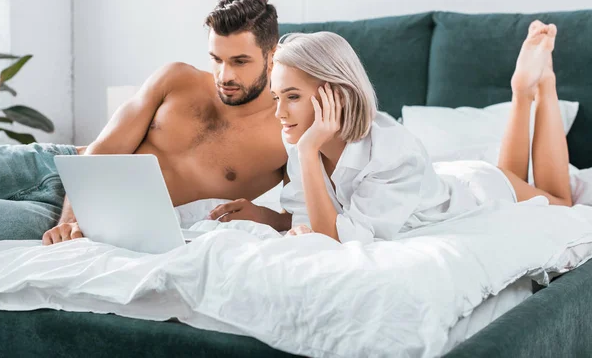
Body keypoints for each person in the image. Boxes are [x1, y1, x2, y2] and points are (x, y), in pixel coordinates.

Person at [211, 21, 573, 244]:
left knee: (560, 203)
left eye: (292, 97)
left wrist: (306, 153)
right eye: (276, 97)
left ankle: (538, 87)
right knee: (508, 173)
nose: (279, 112)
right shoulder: (305, 141)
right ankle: (523, 96)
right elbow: (316, 213)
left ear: (334, 95)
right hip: (445, 182)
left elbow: (332, 236)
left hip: (476, 192)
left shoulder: (390, 150)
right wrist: (266, 216)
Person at [0, 0, 292, 244]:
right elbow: (104, 150)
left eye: (240, 62)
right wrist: (72, 218)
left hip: (107, 212)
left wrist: (267, 217)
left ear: (272, 55)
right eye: (216, 59)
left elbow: (308, 213)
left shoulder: (288, 131)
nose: (225, 75)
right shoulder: (176, 78)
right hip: (59, 165)